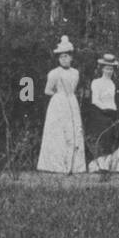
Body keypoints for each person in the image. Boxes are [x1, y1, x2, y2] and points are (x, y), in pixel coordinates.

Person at [38, 35, 85, 173]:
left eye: (67, 56)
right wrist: (59, 97)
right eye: (61, 57)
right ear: (58, 59)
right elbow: (47, 91)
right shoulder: (54, 73)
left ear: (71, 58)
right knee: (58, 133)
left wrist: (69, 98)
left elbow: (73, 89)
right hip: (58, 104)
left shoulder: (75, 73)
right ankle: (56, 165)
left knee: (73, 132)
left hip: (72, 102)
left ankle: (74, 166)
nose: (64, 59)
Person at [86, 52, 119, 172]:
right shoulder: (96, 82)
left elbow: (116, 101)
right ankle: (101, 165)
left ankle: (116, 166)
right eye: (106, 68)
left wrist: (116, 112)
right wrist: (106, 110)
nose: (109, 71)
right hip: (100, 112)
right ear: (102, 69)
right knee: (104, 134)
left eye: (111, 69)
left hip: (113, 113)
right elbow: (95, 100)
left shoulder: (114, 84)